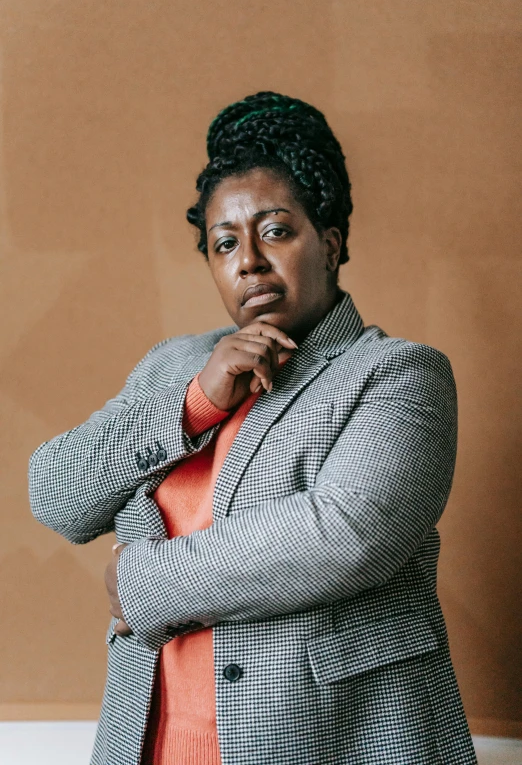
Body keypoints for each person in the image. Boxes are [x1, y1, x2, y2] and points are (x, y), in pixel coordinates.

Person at [28, 91, 477, 765]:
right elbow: (56, 495)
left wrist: (142, 581)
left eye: (275, 231)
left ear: (329, 243)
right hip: (148, 741)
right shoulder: (172, 367)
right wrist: (195, 403)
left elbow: (342, 534)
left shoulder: (397, 374)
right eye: (225, 243)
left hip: (330, 743)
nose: (249, 262)